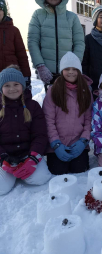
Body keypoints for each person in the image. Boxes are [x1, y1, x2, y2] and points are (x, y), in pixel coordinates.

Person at [0, 66, 51, 195]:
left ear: (22, 86)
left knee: (40, 178)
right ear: (1, 88)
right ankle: (10, 173)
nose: (12, 89)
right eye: (7, 85)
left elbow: (40, 134)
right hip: (6, 157)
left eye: (16, 84)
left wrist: (33, 158)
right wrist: (3, 159)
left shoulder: (32, 106)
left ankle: (22, 170)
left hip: (28, 154)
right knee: (2, 188)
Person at [28, 0, 85, 92]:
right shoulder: (38, 15)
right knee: (51, 103)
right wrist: (40, 66)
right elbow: (32, 41)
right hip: (47, 71)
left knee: (71, 102)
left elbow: (79, 42)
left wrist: (74, 66)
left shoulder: (72, 17)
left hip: (69, 71)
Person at [42, 52, 92, 175]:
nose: (71, 72)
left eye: (74, 69)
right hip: (58, 144)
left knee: (79, 168)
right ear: (61, 70)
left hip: (78, 142)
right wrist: (55, 143)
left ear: (79, 71)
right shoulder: (53, 90)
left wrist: (83, 141)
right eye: (67, 69)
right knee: (58, 170)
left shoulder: (85, 91)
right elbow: (48, 119)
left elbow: (89, 119)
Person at [0, 0, 31, 90]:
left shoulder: (14, 31)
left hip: (11, 78)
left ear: (4, 11)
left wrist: (26, 76)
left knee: (11, 104)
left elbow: (21, 54)